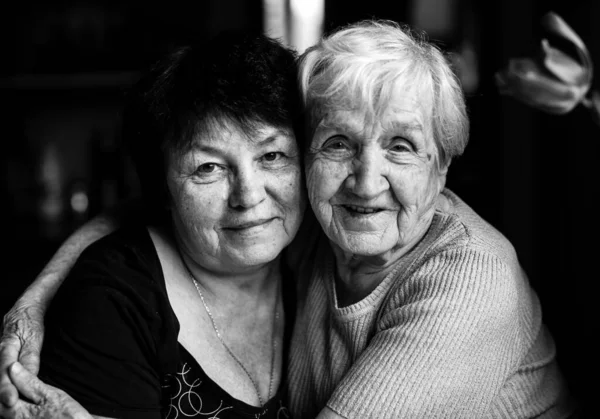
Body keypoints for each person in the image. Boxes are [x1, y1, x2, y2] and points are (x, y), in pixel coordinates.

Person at [1, 20, 576, 419]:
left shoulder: (468, 284)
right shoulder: (316, 234)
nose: (365, 181)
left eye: (401, 146)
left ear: (443, 164)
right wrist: (38, 294)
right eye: (337, 144)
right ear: (308, 158)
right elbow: (156, 204)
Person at [1, 29, 305, 419]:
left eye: (272, 155)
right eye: (208, 167)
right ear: (162, 189)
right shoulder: (111, 301)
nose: (248, 196)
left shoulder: (325, 259)